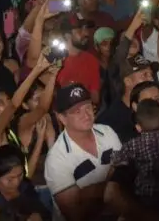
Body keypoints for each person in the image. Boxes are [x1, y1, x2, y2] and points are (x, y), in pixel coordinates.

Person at [44, 83, 122, 221]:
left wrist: (86, 193)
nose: (86, 115)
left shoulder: (107, 132)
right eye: (77, 111)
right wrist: (107, 189)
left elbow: (124, 173)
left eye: (88, 107)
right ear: (62, 118)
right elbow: (74, 214)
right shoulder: (57, 159)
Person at [95, 55, 156, 143]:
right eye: (145, 75)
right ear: (128, 81)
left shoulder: (155, 109)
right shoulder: (109, 122)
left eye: (151, 74)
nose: (151, 79)